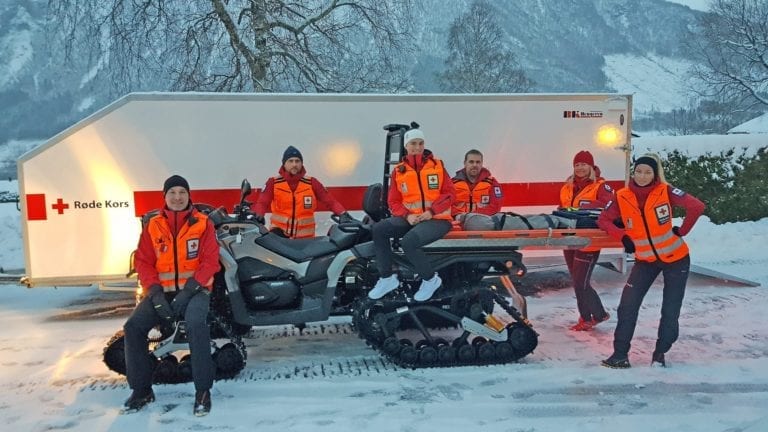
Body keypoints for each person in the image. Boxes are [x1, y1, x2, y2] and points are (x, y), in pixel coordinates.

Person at [122, 175, 219, 416]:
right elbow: (143, 261)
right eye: (172, 192)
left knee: (196, 325)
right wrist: (155, 295)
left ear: (189, 196)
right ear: (164, 197)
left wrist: (187, 293)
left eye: (182, 192)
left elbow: (210, 261)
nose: (177, 197)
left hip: (195, 290)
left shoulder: (203, 223)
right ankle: (141, 390)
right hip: (160, 291)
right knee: (133, 326)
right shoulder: (153, 225)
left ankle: (203, 392)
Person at [597, 154, 705, 368]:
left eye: (648, 172)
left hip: (677, 260)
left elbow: (697, 206)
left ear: (655, 174)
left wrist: (682, 231)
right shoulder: (622, 196)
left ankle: (660, 353)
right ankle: (619, 355)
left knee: (670, 308)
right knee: (627, 306)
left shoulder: (665, 191)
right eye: (639, 171)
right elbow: (603, 219)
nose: (642, 176)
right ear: (633, 173)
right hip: (645, 261)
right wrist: (623, 237)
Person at [367, 127, 455, 302]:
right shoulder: (399, 171)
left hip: (437, 220)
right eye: (413, 143)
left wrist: (432, 211)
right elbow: (394, 202)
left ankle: (430, 279)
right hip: (412, 219)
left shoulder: (437, 166)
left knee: (409, 242)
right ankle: (387, 278)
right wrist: (407, 216)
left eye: (420, 143)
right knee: (378, 230)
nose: (417, 147)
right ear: (406, 146)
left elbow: (450, 194)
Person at [559, 150, 614, 331]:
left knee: (580, 281)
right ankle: (590, 316)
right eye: (577, 165)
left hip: (590, 239)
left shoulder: (601, 186)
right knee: (576, 280)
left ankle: (594, 315)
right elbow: (562, 207)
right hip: (569, 237)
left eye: (583, 164)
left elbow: (612, 205)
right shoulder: (567, 186)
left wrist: (584, 208)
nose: (580, 168)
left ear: (591, 166)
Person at [254, 145, 350, 238]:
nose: (294, 164)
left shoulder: (312, 182)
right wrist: (259, 215)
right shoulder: (273, 183)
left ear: (301, 163)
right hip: (280, 239)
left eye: (297, 161)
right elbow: (262, 202)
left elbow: (330, 201)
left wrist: (342, 213)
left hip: (306, 242)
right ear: (284, 163)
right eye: (290, 161)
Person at [451, 149, 503, 217]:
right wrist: (459, 215)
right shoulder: (453, 183)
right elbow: (447, 206)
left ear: (482, 163)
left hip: (482, 221)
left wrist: (474, 216)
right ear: (465, 163)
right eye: (471, 162)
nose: (475, 165)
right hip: (458, 220)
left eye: (478, 162)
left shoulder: (492, 183)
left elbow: (496, 206)